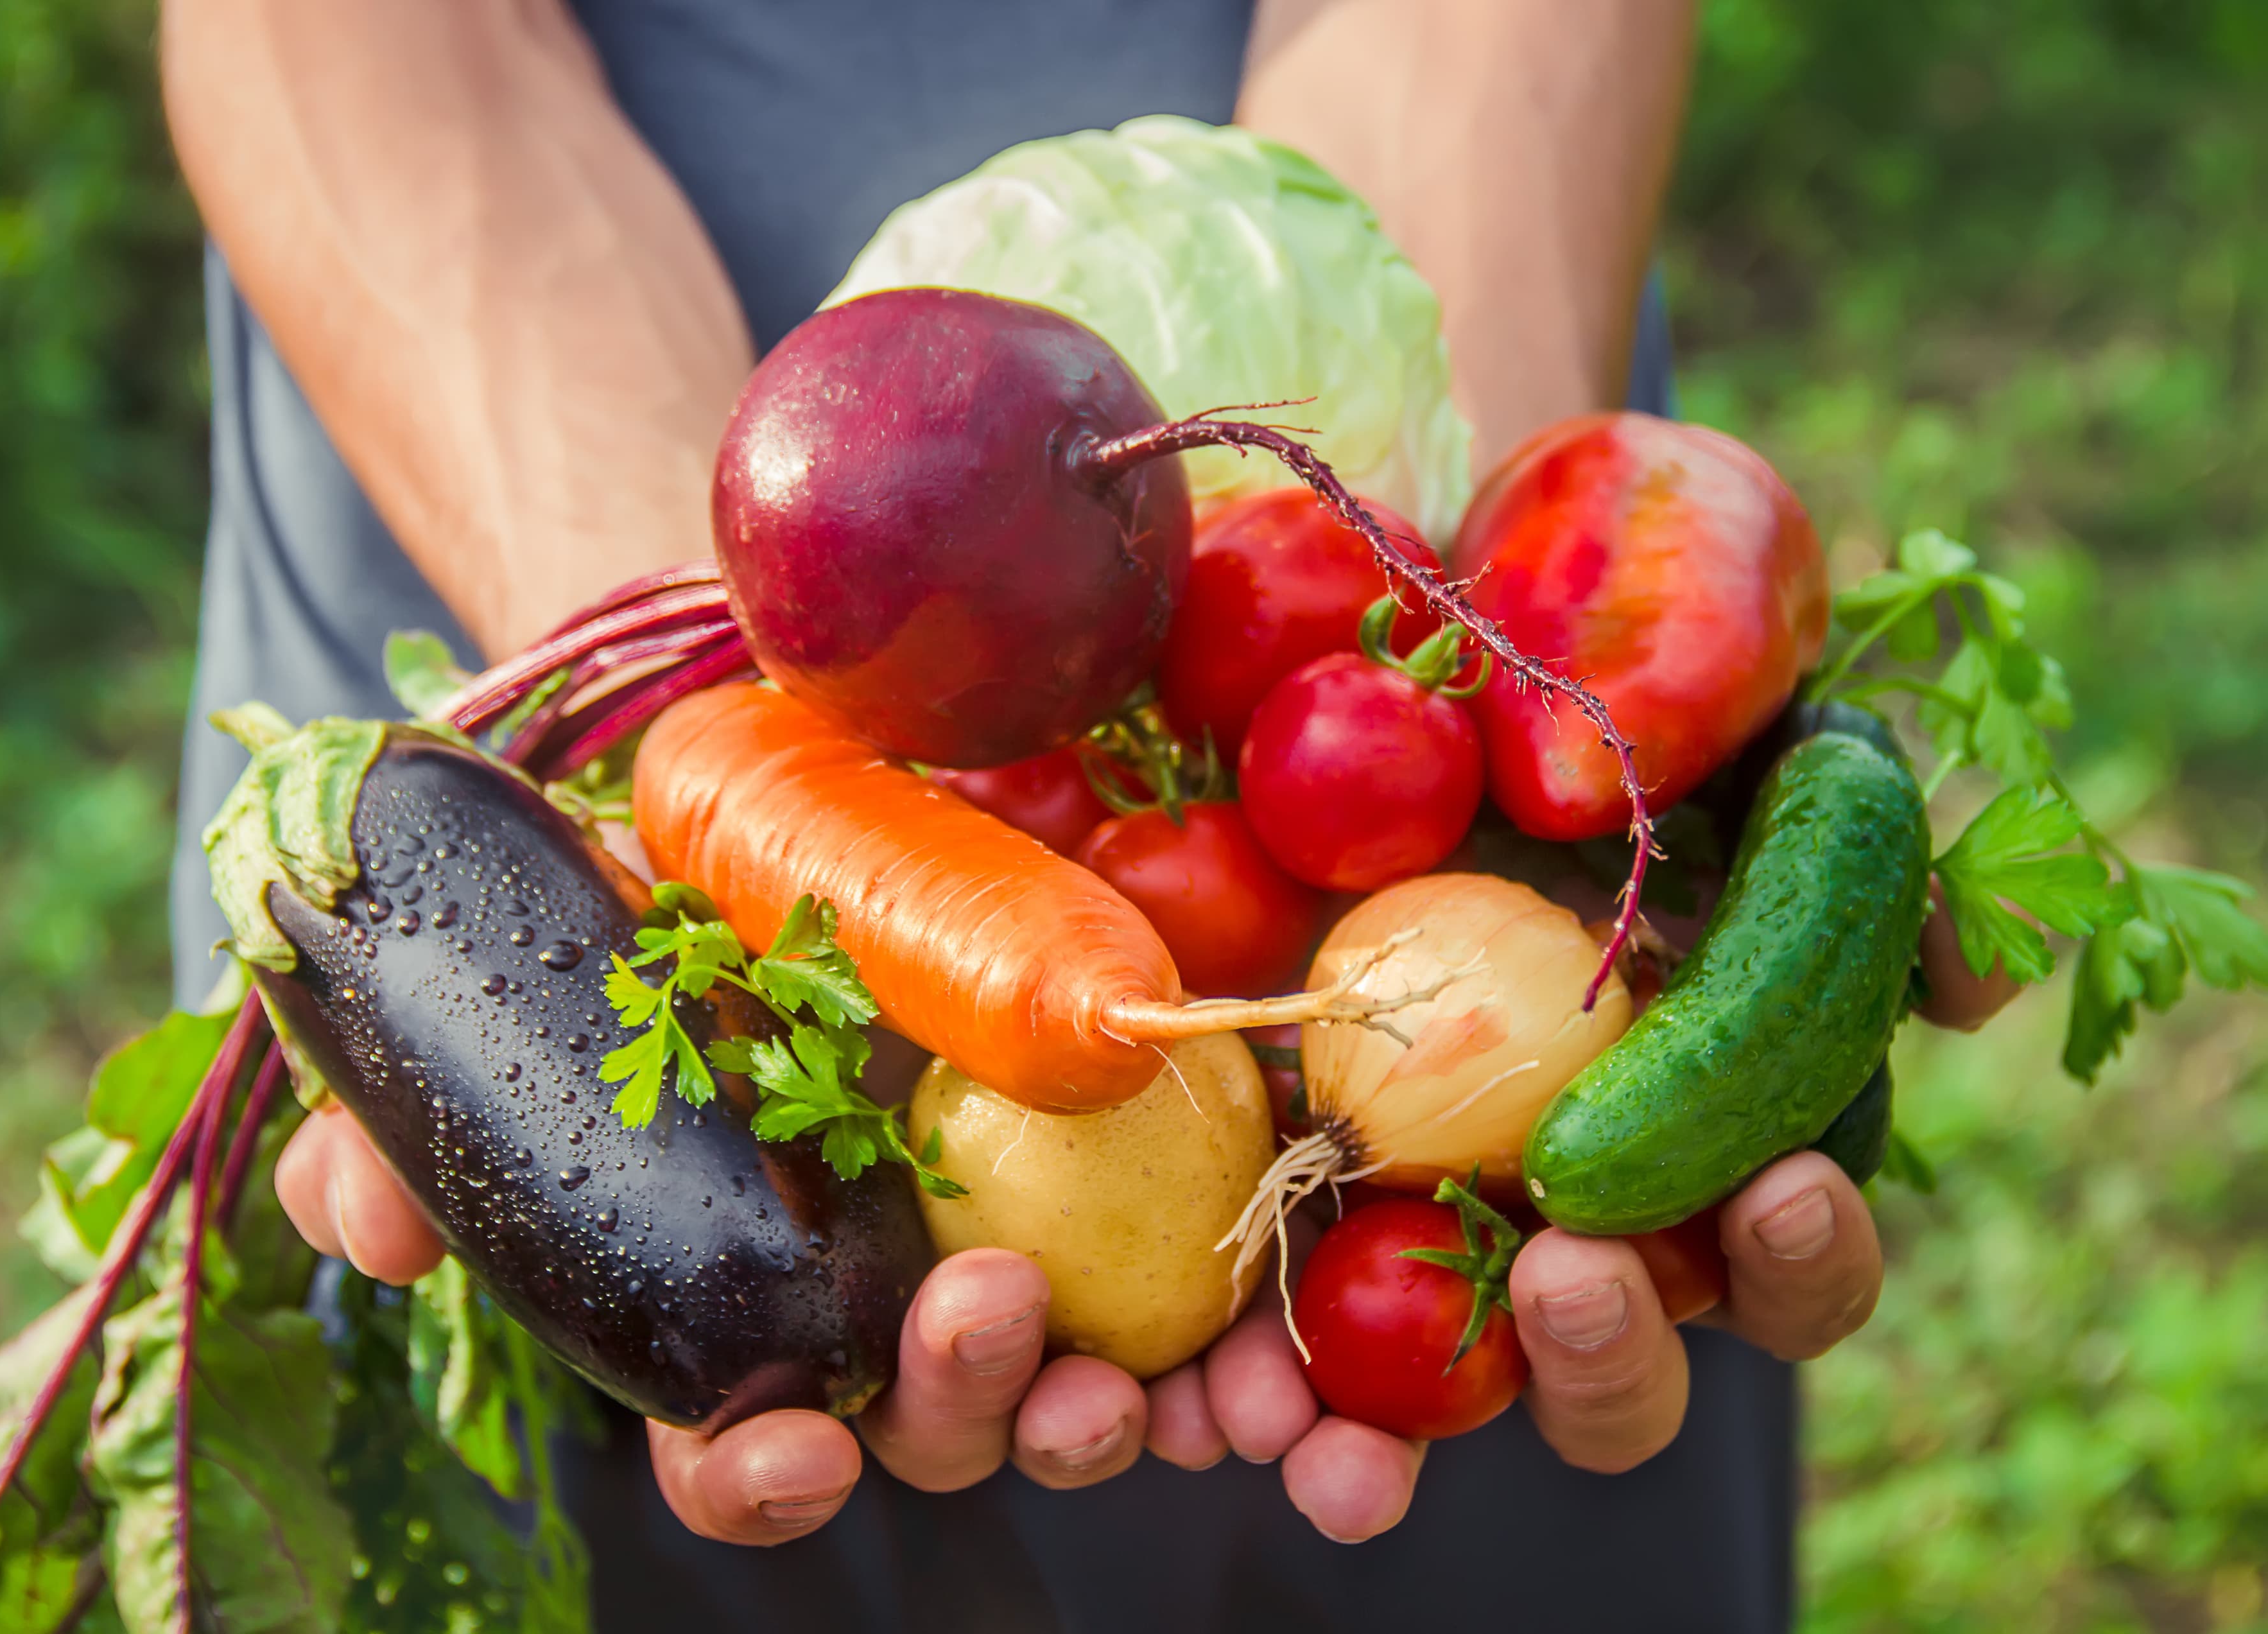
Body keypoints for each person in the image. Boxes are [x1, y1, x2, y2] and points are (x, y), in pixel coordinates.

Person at [157, 3, 2014, 1628]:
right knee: (638, 1331)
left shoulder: (1422, 684)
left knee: (1509, 1443)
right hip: (511, 392)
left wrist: (1437, 616)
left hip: (1385, 527)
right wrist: (687, 708)